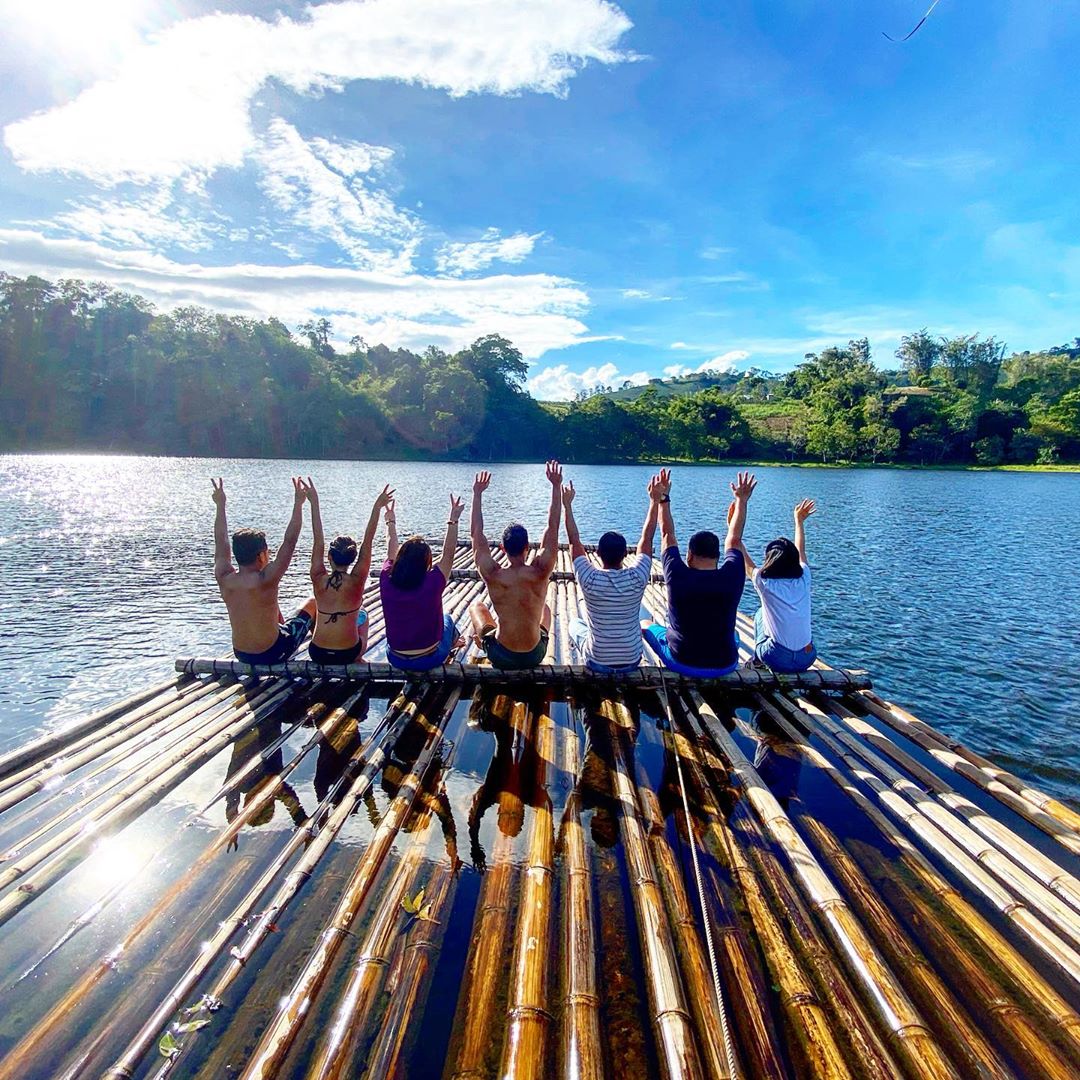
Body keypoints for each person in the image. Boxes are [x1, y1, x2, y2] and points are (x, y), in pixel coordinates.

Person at [641, 470, 754, 675]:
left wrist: (663, 499)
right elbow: (735, 539)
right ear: (718, 557)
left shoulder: (677, 574)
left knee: (646, 624)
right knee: (734, 635)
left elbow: (667, 534)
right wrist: (741, 501)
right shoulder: (733, 575)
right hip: (725, 664)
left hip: (682, 661)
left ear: (690, 554)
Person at [212, 477, 316, 665]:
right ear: (261, 556)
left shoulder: (224, 577)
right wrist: (298, 504)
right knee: (312, 603)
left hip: (241, 654)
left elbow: (221, 541)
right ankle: (322, 648)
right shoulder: (266, 578)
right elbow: (290, 541)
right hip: (273, 653)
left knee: (272, 608)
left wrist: (220, 506)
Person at [468, 462, 562, 670]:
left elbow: (476, 534)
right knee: (544, 609)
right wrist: (556, 487)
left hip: (502, 655)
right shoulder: (540, 571)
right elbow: (553, 526)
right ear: (527, 547)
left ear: (502, 548)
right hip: (534, 655)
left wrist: (477, 494)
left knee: (477, 607)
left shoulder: (493, 574)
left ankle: (484, 641)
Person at [563, 472, 660, 672]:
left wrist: (567, 505)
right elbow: (647, 538)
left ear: (597, 554)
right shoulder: (637, 576)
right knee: (643, 612)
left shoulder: (589, 579)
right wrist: (654, 501)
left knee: (575, 624)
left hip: (597, 661)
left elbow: (574, 540)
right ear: (626, 554)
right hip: (632, 660)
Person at [305, 479, 393, 666]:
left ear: (329, 556)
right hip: (348, 654)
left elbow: (317, 539)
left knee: (315, 607)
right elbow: (367, 542)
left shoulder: (318, 577)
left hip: (317, 653)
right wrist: (377, 507)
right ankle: (359, 658)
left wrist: (314, 503)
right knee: (363, 615)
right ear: (353, 558)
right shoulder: (357, 580)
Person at [380, 491, 466, 670]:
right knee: (447, 619)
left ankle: (453, 642)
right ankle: (453, 643)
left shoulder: (387, 578)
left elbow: (391, 548)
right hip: (430, 658)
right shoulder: (433, 582)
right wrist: (453, 519)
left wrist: (390, 522)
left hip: (395, 658)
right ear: (426, 562)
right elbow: (448, 554)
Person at [732, 498, 817, 673]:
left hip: (776, 657)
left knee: (760, 613)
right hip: (807, 658)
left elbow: (736, 546)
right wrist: (799, 522)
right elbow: (801, 551)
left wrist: (732, 525)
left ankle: (757, 660)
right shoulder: (804, 578)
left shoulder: (765, 583)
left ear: (770, 560)